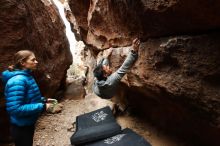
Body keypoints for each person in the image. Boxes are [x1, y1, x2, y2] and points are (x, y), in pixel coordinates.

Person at [1, 50, 58, 146]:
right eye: (33, 60)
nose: (36, 62)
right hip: (21, 127)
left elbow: (29, 98)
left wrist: (44, 100)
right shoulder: (18, 81)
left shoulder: (27, 76)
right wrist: (44, 107)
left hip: (27, 123)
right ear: (22, 63)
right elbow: (15, 109)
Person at [93, 38, 140, 111]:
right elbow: (124, 68)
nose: (108, 67)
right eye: (107, 68)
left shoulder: (98, 76)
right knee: (121, 90)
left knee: (96, 76)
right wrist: (133, 51)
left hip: (97, 90)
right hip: (108, 94)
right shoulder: (111, 81)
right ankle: (123, 105)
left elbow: (101, 67)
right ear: (105, 75)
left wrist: (106, 57)